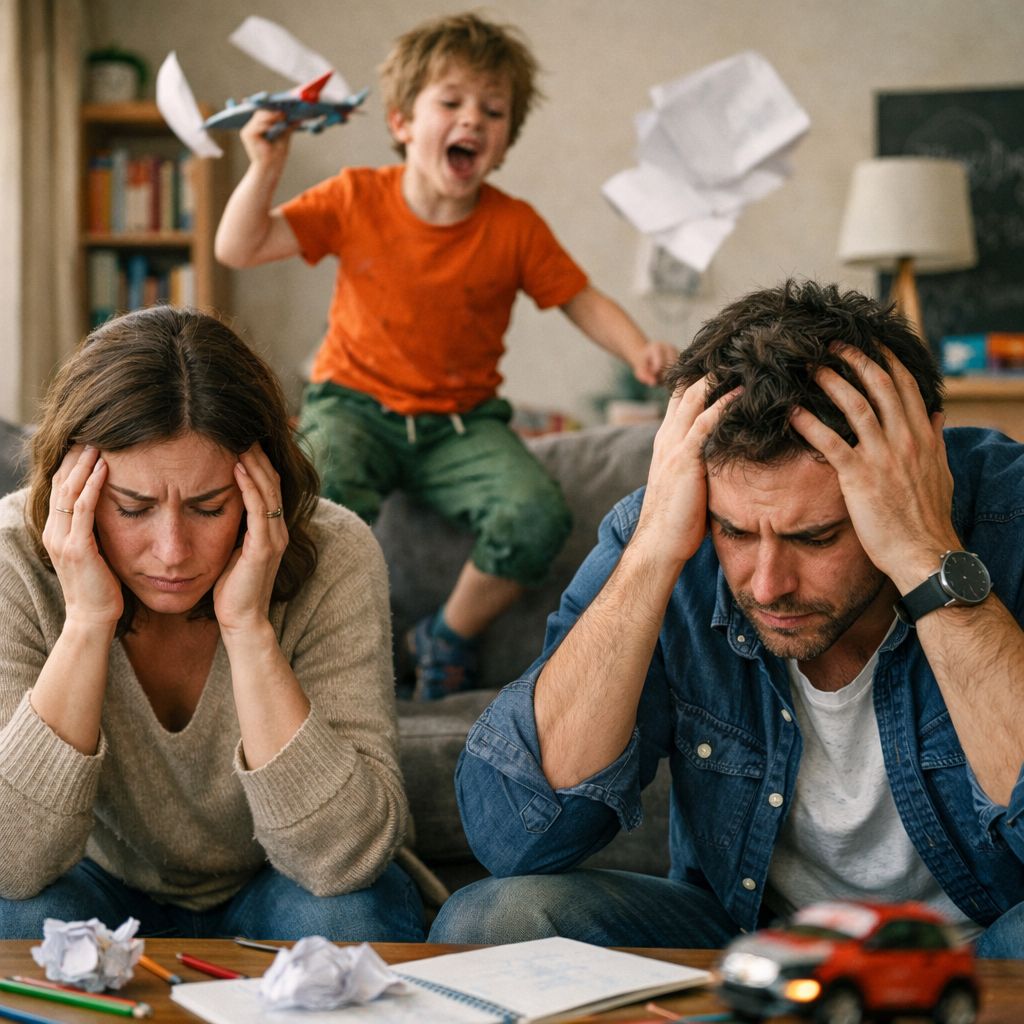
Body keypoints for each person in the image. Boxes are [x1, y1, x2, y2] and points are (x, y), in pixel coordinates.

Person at [429, 280, 1024, 957]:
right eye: (736, 532)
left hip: (985, 947)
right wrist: (654, 550)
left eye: (817, 537)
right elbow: (515, 838)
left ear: (914, 467)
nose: (767, 585)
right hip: (747, 944)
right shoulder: (670, 528)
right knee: (492, 921)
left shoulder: (1011, 512)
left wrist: (926, 554)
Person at [214, 12, 676, 700]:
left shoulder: (513, 225)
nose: (473, 119)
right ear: (402, 122)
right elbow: (238, 248)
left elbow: (580, 297)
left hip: (462, 426)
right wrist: (265, 167)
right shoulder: (355, 196)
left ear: (502, 143)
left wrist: (638, 346)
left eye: (493, 111)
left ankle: (446, 635)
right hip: (353, 406)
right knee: (311, 506)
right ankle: (316, 658)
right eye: (452, 103)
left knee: (537, 515)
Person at [0, 306, 426, 940]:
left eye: (208, 507)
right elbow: (13, 861)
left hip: (275, 882)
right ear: (75, 492)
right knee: (19, 920)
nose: (172, 550)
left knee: (353, 912)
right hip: (96, 883)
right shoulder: (14, 557)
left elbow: (346, 858)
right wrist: (88, 620)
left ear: (262, 490)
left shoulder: (336, 553)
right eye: (133, 508)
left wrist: (249, 627)